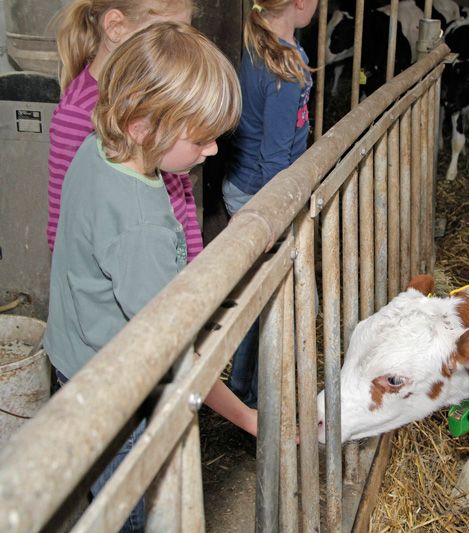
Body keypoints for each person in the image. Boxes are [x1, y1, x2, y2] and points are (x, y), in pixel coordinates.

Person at [43, 22, 249, 531]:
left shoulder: (98, 149)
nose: (213, 152)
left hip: (73, 358)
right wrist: (247, 417)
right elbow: (181, 353)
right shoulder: (141, 227)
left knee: (95, 486)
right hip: (117, 392)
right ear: (141, 125)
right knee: (128, 504)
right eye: (201, 139)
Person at [48, 0, 201, 261]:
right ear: (116, 27)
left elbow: (179, 189)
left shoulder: (151, 92)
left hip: (168, 265)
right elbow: (62, 231)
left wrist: (196, 262)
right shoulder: (77, 115)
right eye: (167, 33)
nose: (180, 48)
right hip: (123, 283)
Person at [223, 0, 317, 408]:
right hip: (264, 193)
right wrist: (278, 217)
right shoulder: (284, 68)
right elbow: (275, 157)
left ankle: (242, 387)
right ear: (301, 3)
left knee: (256, 298)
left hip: (244, 186)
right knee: (282, 303)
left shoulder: (263, 45)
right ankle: (261, 403)